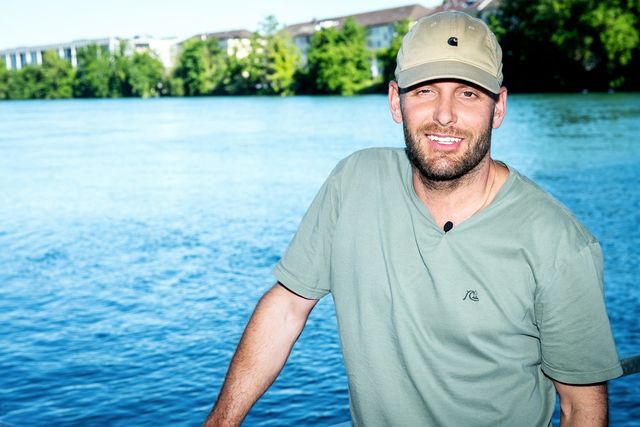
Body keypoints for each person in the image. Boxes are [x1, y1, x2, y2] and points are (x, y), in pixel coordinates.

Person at [205, 11, 622, 426]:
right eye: (425, 91)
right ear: (395, 101)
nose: (444, 115)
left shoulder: (559, 243)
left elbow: (580, 407)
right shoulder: (355, 182)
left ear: (498, 108)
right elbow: (287, 307)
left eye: (468, 94)